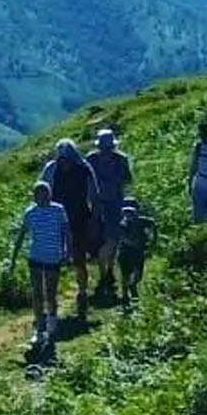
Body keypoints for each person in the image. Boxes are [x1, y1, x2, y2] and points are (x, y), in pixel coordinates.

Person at [9, 180, 71, 356]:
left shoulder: (58, 210)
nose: (41, 197)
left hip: (53, 257)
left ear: (49, 194)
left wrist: (68, 251)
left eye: (44, 193)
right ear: (34, 196)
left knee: (50, 293)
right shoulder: (30, 213)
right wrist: (13, 258)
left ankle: (52, 325)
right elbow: (22, 235)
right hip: (35, 257)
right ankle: (39, 328)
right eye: (38, 194)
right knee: (37, 293)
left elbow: (67, 232)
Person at [41, 139, 100, 320]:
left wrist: (95, 219)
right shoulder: (52, 169)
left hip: (79, 219)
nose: (63, 161)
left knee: (79, 258)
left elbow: (93, 195)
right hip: (57, 219)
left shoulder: (83, 169)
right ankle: (51, 298)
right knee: (53, 259)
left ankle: (82, 291)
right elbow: (42, 191)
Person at [86, 128, 132, 300]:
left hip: (114, 204)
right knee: (100, 241)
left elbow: (128, 180)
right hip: (97, 205)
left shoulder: (121, 159)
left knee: (112, 239)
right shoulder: (91, 159)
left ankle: (108, 271)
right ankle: (105, 272)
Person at [116, 198, 157, 310]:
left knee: (138, 275)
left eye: (131, 212)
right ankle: (125, 296)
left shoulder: (143, 221)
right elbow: (123, 238)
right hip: (125, 252)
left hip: (138, 253)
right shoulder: (122, 224)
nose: (129, 215)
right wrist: (135, 242)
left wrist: (153, 241)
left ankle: (132, 286)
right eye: (126, 212)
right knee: (125, 275)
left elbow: (153, 224)